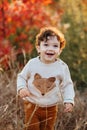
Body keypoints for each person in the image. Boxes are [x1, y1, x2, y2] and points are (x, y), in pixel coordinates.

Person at [17, 27, 75, 130]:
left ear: (60, 50)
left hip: (51, 107)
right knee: (32, 127)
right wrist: (22, 88)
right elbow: (21, 77)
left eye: (55, 46)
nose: (50, 48)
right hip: (32, 104)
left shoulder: (62, 67)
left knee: (48, 128)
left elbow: (67, 85)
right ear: (38, 48)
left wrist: (69, 100)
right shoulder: (32, 64)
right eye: (46, 45)